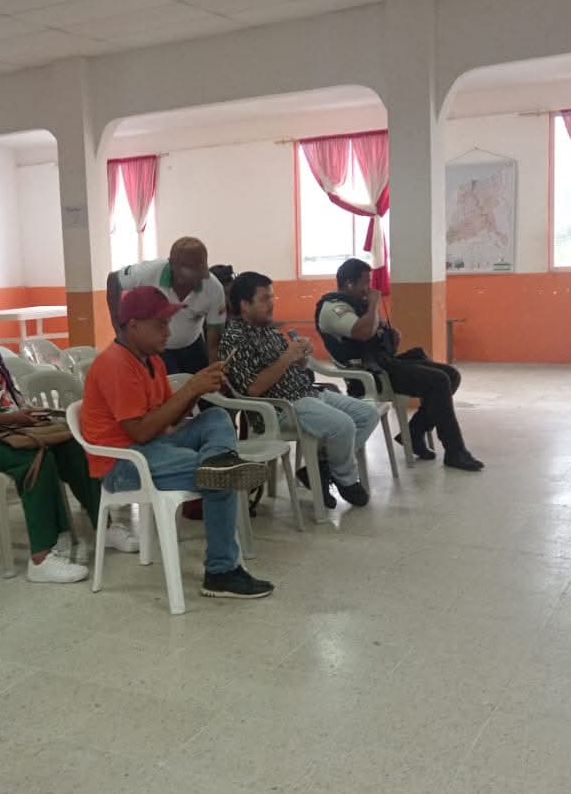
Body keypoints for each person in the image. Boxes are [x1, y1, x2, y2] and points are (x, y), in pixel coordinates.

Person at [0, 288, 132, 584]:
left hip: (8, 430)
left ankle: (104, 525)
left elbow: (10, 396)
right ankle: (41, 558)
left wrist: (29, 413)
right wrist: (11, 419)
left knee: (72, 446)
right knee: (35, 458)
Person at [82, 287, 274, 600]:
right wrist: (191, 388)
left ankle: (218, 462)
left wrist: (197, 391)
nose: (168, 332)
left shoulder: (152, 361)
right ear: (134, 326)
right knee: (220, 480)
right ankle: (221, 572)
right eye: (160, 324)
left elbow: (166, 419)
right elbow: (141, 432)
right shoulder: (115, 364)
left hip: (154, 445)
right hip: (123, 463)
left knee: (215, 418)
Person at [221, 271, 379, 509]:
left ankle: (322, 467)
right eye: (264, 299)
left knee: (368, 415)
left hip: (306, 392)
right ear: (245, 304)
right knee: (343, 426)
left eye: (272, 297)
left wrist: (302, 356)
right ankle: (346, 479)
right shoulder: (235, 338)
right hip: (280, 407)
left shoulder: (268, 328)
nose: (271, 304)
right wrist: (287, 356)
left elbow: (292, 364)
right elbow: (252, 389)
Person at [316, 259, 484, 472]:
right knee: (438, 381)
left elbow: (373, 338)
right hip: (368, 375)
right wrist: (374, 304)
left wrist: (389, 339)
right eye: (365, 283)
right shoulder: (334, 308)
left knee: (451, 375)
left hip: (382, 364)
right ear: (349, 284)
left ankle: (414, 432)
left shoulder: (357, 304)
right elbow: (363, 332)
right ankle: (455, 451)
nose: (370, 288)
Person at [106, 237, 227, 375]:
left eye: (202, 270)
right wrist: (119, 327)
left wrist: (214, 374)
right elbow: (114, 280)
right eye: (193, 271)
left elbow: (214, 343)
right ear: (173, 266)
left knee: (201, 384)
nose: (201, 277)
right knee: (167, 385)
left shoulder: (213, 288)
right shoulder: (148, 272)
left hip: (192, 346)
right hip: (154, 348)